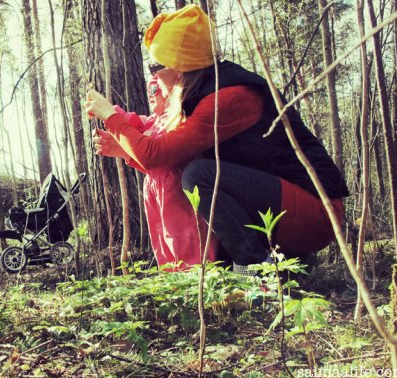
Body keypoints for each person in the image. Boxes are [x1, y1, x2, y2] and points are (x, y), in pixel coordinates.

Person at [85, 5, 349, 274]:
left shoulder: (228, 97)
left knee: (199, 176)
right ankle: (282, 265)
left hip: (318, 212)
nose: (152, 76)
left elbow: (155, 154)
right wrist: (128, 152)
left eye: (156, 65)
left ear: (180, 67)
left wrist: (110, 115)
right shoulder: (201, 95)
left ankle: (253, 268)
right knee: (196, 177)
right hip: (284, 207)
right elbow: (169, 164)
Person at [93, 76, 219, 270]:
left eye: (155, 89)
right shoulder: (154, 121)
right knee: (163, 241)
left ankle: (198, 281)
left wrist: (114, 119)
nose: (150, 95)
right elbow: (137, 131)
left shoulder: (177, 118)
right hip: (156, 192)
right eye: (148, 90)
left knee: (186, 240)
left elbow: (159, 156)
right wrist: (119, 138)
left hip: (176, 192)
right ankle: (172, 283)